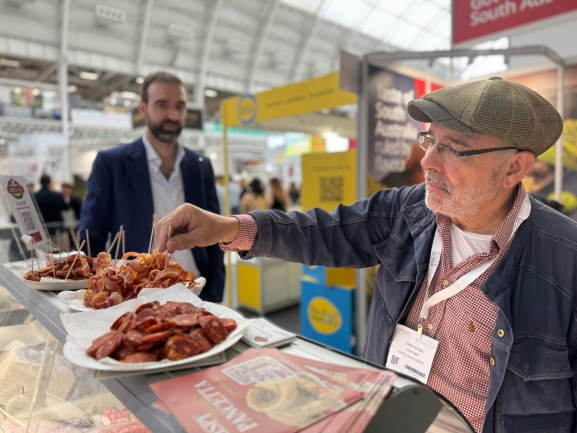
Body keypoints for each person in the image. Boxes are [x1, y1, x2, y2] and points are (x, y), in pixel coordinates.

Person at [156, 77, 577, 432]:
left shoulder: (565, 259)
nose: (427, 160)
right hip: (391, 415)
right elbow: (324, 232)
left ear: (514, 169)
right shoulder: (409, 210)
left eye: (454, 147)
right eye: (430, 140)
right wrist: (228, 228)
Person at [79, 71, 224, 302]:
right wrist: (99, 297)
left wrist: (215, 290)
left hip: (196, 292)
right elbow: (91, 237)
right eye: (162, 105)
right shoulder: (112, 163)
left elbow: (215, 232)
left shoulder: (200, 166)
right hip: (134, 300)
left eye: (180, 106)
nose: (173, 115)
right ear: (143, 108)